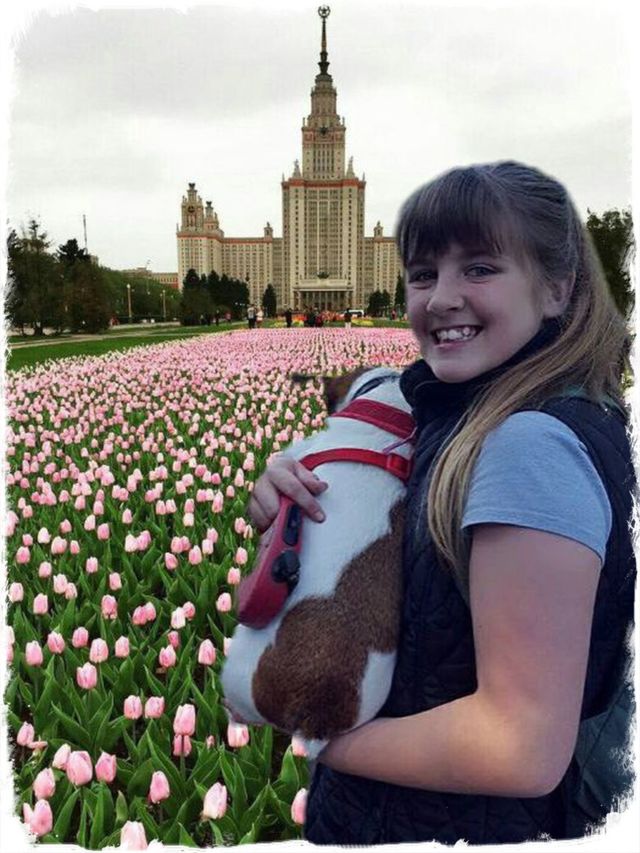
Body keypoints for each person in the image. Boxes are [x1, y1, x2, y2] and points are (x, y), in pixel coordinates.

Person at [247, 161, 635, 845]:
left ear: (556, 288)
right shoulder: (465, 415)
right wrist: (294, 514)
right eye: (424, 274)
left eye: (480, 268)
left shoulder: (528, 446)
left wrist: (322, 738)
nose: (442, 298)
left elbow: (518, 745)